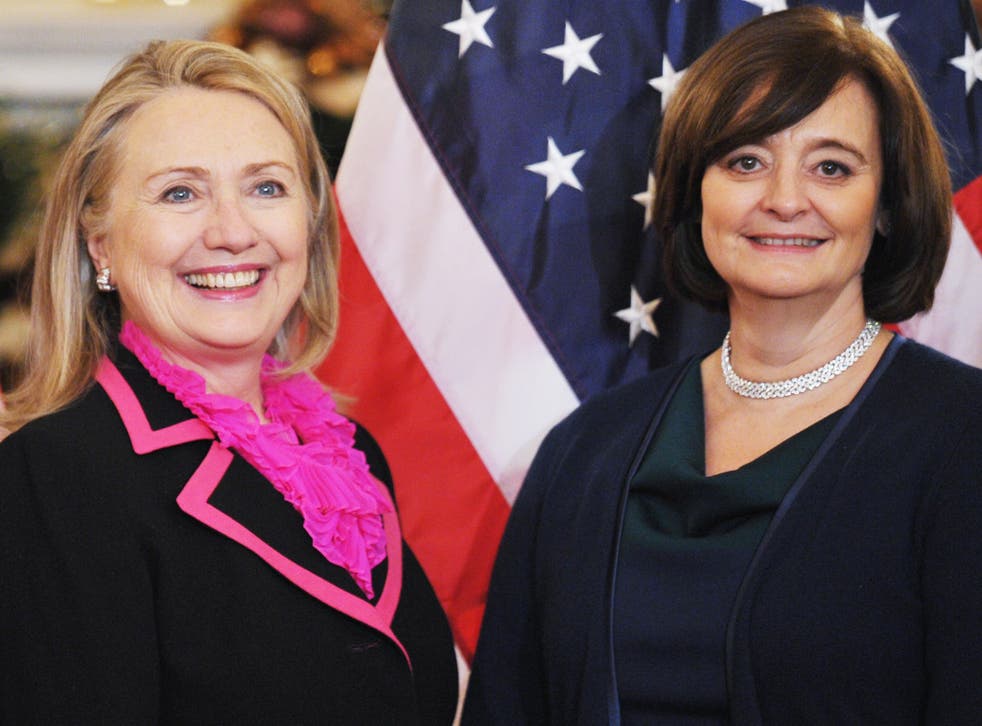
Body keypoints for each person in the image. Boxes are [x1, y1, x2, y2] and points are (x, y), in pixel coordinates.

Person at [462, 7, 982, 725]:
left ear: (887, 204)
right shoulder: (586, 451)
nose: (785, 200)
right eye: (746, 161)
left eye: (832, 167)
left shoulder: (963, 442)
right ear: (694, 189)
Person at [0, 40, 457, 724]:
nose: (233, 231)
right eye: (180, 193)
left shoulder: (349, 455)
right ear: (101, 246)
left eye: (266, 187)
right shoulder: (54, 475)